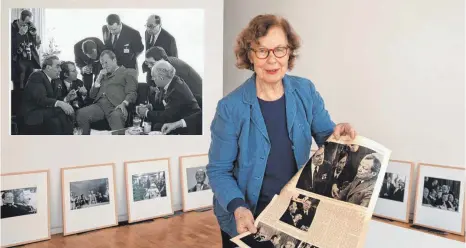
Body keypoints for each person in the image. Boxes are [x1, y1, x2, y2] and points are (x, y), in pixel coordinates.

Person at [206, 14, 357, 247]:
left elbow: (327, 139)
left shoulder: (305, 91)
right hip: (247, 218)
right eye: (262, 51)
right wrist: (238, 207)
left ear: (289, 53)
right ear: (250, 56)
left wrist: (338, 133)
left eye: (279, 50)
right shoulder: (230, 108)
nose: (272, 60)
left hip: (294, 215)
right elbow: (219, 171)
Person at [76, 50, 138, 135]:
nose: (104, 66)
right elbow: (92, 95)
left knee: (116, 116)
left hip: (116, 106)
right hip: (99, 105)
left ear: (114, 60)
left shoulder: (127, 72)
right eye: (102, 64)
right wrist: (98, 78)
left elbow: (132, 92)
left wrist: (124, 103)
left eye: (106, 62)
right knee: (81, 113)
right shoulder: (102, 75)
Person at [136, 60, 200, 133]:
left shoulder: (176, 91)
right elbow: (167, 104)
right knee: (156, 125)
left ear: (161, 78)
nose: (152, 79)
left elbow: (167, 117)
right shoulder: (172, 81)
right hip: (177, 117)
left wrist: (146, 112)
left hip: (189, 126)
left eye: (153, 77)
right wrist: (151, 107)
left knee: (157, 127)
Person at [21, 55, 75, 135]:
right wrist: (60, 103)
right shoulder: (37, 76)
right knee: (61, 112)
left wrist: (66, 99)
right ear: (48, 67)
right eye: (57, 67)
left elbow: (54, 98)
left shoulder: (54, 80)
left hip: (45, 110)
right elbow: (41, 99)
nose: (60, 70)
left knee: (62, 114)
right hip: (33, 113)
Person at [142, 15, 178, 84]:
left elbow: (173, 60)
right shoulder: (147, 33)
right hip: (150, 73)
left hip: (162, 76)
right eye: (147, 26)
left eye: (152, 27)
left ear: (160, 25)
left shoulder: (169, 39)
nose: (149, 29)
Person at [11, 9, 41, 90]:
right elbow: (10, 45)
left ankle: (27, 100)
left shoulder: (30, 26)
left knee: (29, 81)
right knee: (19, 84)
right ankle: (18, 100)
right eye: (25, 21)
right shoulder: (11, 27)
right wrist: (20, 34)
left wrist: (34, 35)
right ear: (21, 18)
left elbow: (37, 44)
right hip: (18, 59)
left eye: (28, 21)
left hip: (29, 58)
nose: (26, 24)